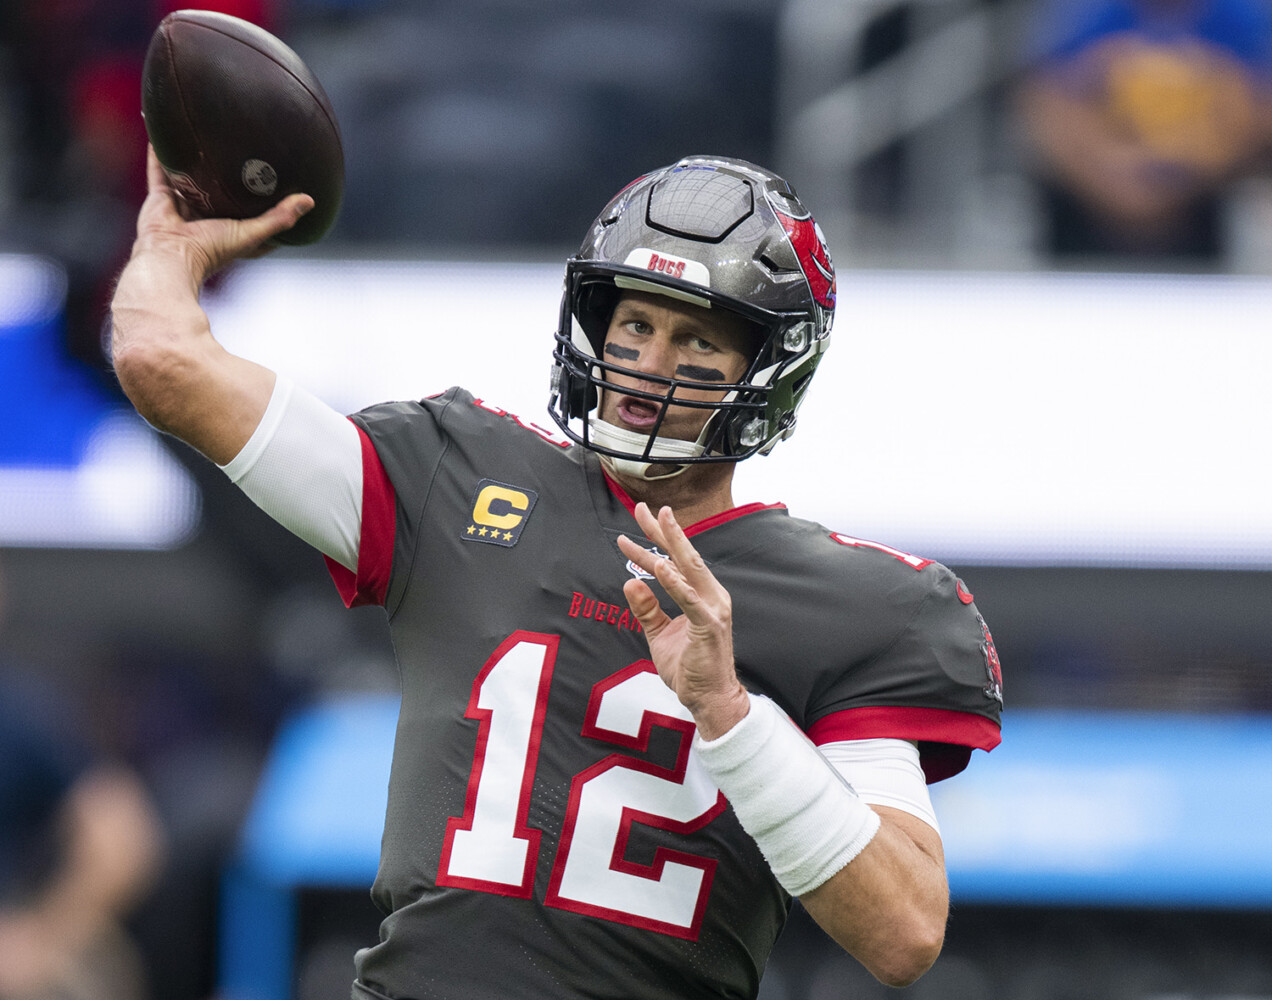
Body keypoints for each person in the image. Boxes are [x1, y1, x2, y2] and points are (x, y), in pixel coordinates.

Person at [110, 148, 1002, 999]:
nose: (650, 366)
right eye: (636, 324)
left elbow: (903, 935)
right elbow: (163, 363)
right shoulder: (452, 475)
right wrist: (166, 248)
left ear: (767, 371)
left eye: (696, 342)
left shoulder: (853, 604)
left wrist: (730, 714)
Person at [1016, 0, 1272, 262]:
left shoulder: (1241, 15)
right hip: (1085, 207)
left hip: (1202, 207)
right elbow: (1045, 106)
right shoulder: (1083, 11)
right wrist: (1116, 176)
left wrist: (1185, 169)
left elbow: (1258, 113)